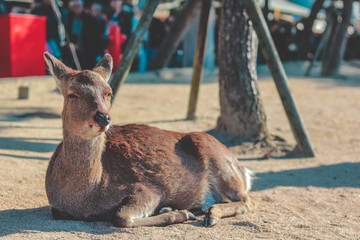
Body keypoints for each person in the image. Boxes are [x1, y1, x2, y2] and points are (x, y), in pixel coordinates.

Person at [66, 0, 104, 69]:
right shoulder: (69, 18)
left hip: (87, 51)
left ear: (82, 6)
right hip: (74, 51)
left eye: (77, 6)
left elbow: (96, 37)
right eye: (74, 7)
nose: (76, 8)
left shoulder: (89, 18)